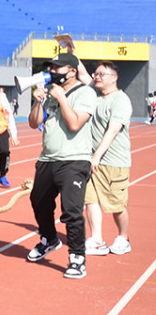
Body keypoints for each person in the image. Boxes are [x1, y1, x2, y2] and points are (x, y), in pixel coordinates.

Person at [25, 53, 97, 279]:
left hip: (74, 160)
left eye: (58, 68)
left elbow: (75, 123)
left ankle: (77, 257)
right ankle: (49, 238)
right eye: (51, 68)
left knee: (71, 210)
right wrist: (38, 102)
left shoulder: (85, 92)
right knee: (38, 201)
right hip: (48, 159)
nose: (53, 72)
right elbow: (34, 122)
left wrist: (63, 98)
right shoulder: (50, 94)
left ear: (72, 71)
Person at [84, 61, 131, 256]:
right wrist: (71, 52)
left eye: (102, 74)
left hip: (113, 162)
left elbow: (113, 131)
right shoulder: (94, 95)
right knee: (90, 200)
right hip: (93, 160)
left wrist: (96, 156)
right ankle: (96, 239)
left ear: (114, 78)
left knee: (116, 205)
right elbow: (81, 74)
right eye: (96, 73)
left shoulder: (120, 100)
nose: (97, 76)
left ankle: (123, 237)